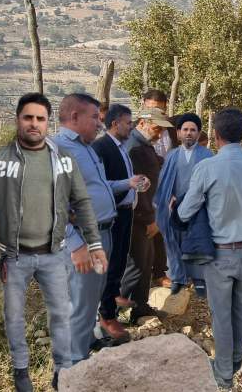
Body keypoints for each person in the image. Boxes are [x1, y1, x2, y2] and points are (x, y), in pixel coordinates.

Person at [0, 93, 105, 391]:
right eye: (28, 117)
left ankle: (62, 372)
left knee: (61, 314)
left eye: (40, 118)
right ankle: (21, 371)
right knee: (15, 316)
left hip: (53, 255)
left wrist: (93, 244)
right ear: (18, 120)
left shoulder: (63, 160)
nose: (34, 124)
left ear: (48, 123)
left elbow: (82, 202)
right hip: (15, 256)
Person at [178, 108, 242, 391]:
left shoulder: (207, 168)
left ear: (215, 135)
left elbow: (184, 212)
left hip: (219, 252)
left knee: (221, 314)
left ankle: (224, 375)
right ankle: (237, 359)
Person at [54, 93, 141, 365]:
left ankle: (89, 342)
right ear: (75, 117)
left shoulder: (88, 149)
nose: (99, 124)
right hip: (82, 239)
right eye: (94, 118)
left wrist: (127, 183)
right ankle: (72, 368)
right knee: (79, 305)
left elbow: (98, 187)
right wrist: (75, 244)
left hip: (103, 234)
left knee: (91, 298)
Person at [92, 104, 147, 342]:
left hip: (125, 212)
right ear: (115, 123)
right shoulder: (101, 147)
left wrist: (137, 185)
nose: (131, 126)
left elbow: (124, 179)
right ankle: (106, 316)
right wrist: (127, 187)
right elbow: (102, 185)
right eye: (128, 122)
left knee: (120, 259)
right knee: (111, 263)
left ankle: (113, 296)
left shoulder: (121, 147)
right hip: (112, 214)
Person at [119, 107, 172, 322]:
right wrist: (148, 219)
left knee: (145, 262)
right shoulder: (134, 147)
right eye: (157, 128)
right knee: (136, 267)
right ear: (142, 122)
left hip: (148, 213)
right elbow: (137, 189)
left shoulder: (143, 145)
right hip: (138, 218)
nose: (160, 133)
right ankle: (108, 313)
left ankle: (140, 308)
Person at [154, 113, 212, 295]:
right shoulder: (171, 156)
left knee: (196, 243)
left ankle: (198, 280)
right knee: (174, 243)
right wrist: (167, 199)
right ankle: (178, 279)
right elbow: (164, 182)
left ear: (198, 133)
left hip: (199, 209)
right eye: (185, 130)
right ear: (178, 133)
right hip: (174, 208)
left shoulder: (207, 155)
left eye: (193, 130)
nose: (189, 133)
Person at [141, 89, 176, 287]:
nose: (155, 114)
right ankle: (142, 275)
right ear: (144, 105)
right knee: (145, 230)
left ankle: (160, 273)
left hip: (165, 187)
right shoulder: (134, 131)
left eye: (160, 110)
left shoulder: (170, 129)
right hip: (143, 188)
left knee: (162, 229)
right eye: (152, 109)